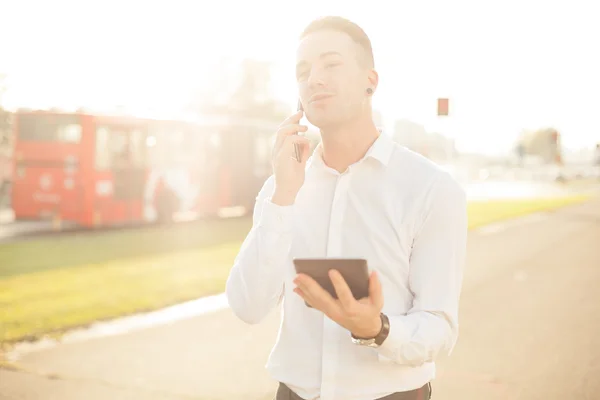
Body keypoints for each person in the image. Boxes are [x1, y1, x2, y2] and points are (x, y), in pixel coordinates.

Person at [226, 16, 467, 400]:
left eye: (331, 64)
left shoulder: (431, 189)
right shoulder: (282, 186)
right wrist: (283, 197)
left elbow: (440, 327)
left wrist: (378, 328)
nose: (314, 79)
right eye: (302, 71)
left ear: (371, 81)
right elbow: (248, 306)